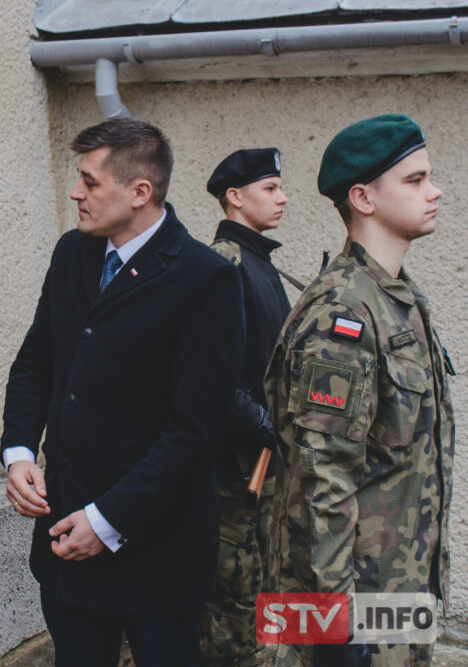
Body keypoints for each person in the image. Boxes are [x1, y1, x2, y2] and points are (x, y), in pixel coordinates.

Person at [1, 117, 245, 666]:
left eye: (89, 182)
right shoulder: (73, 253)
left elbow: (196, 428)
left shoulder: (206, 280)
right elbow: (36, 364)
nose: (75, 192)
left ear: (140, 192)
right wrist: (18, 452)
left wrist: (107, 520)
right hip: (65, 541)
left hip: (156, 553)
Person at [265, 114, 454, 667]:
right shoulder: (342, 313)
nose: (435, 191)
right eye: (414, 180)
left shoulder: (398, 297)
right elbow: (320, 477)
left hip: (397, 590)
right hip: (356, 610)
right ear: (363, 198)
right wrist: (335, 630)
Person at [198, 148, 292, 666]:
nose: (282, 198)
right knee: (233, 606)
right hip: (235, 470)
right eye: (270, 188)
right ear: (235, 197)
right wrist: (260, 423)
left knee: (262, 594)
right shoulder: (225, 263)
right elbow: (208, 375)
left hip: (263, 462)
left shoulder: (258, 261)